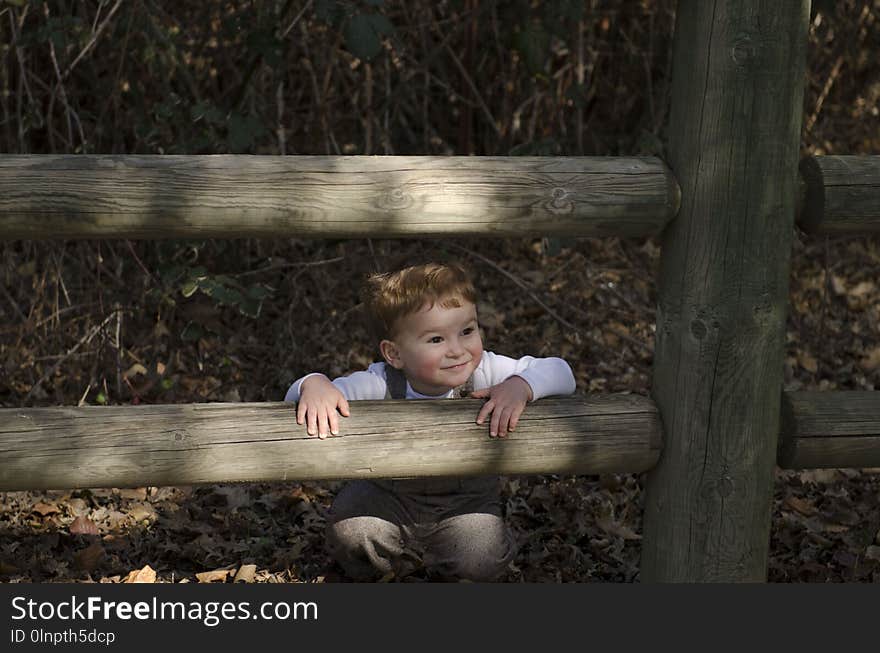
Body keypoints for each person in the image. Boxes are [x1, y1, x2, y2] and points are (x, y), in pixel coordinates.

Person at [284, 262, 576, 581]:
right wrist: (313, 383)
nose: (457, 350)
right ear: (394, 354)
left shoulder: (486, 372)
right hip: (387, 496)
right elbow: (312, 396)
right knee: (353, 531)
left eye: (467, 331)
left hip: (465, 502)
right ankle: (381, 575)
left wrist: (522, 386)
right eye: (436, 340)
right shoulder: (382, 381)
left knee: (481, 558)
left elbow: (562, 371)